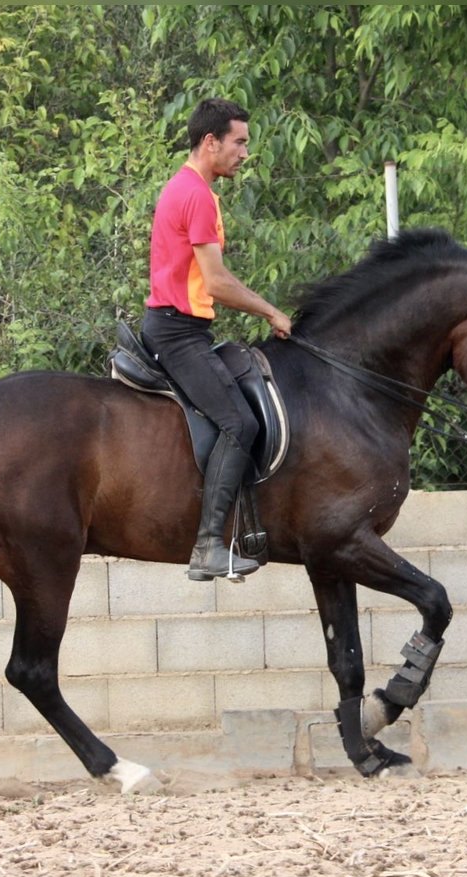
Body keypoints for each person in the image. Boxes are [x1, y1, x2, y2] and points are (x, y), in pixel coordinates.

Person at [142, 97, 292, 581]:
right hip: (177, 333)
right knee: (241, 425)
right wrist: (272, 311)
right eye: (239, 142)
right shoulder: (197, 195)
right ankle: (209, 545)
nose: (245, 153)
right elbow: (218, 283)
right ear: (211, 142)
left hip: (184, 328)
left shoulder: (189, 188)